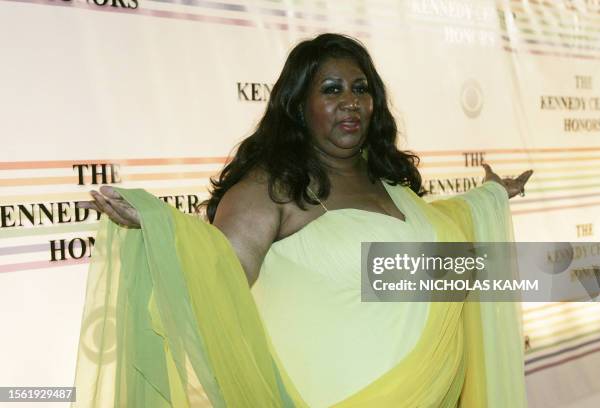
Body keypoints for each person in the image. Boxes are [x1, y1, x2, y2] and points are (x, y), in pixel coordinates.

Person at [76, 33, 533, 407]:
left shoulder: (398, 190)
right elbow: (216, 274)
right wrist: (161, 228)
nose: (350, 101)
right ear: (298, 106)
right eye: (331, 90)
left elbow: (429, 251)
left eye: (361, 88)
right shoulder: (271, 190)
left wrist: (491, 198)